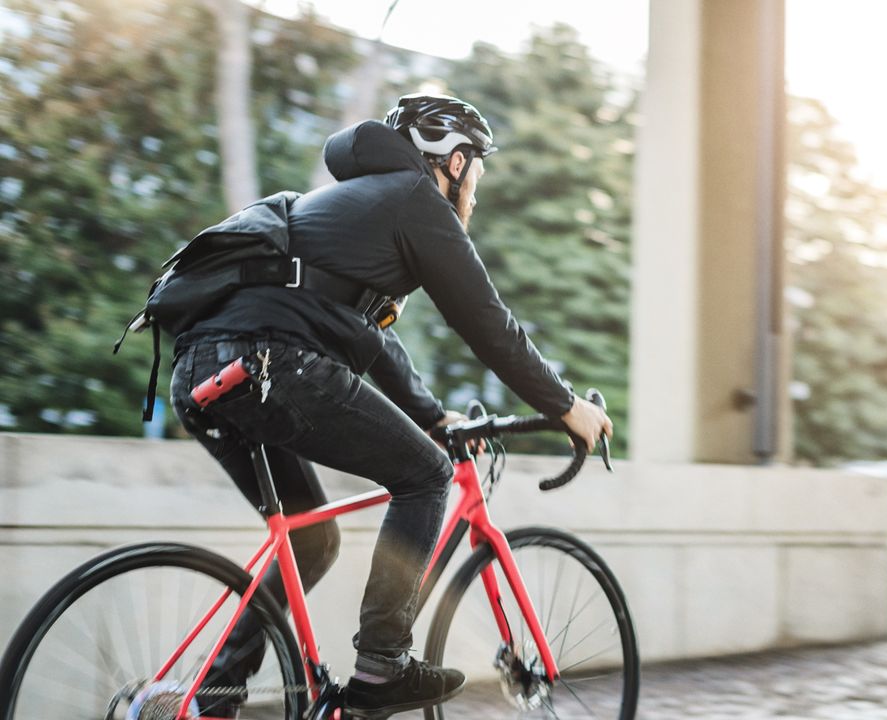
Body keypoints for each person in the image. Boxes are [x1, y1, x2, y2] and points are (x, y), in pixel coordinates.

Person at [168, 93, 613, 718]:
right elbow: (488, 323)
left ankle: (213, 695)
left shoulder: (362, 207)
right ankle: (383, 666)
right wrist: (567, 406)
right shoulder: (414, 200)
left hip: (204, 369)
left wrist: (433, 416)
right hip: (273, 361)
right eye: (476, 174)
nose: (476, 195)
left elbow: (370, 337)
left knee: (313, 540)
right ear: (453, 163)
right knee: (427, 475)